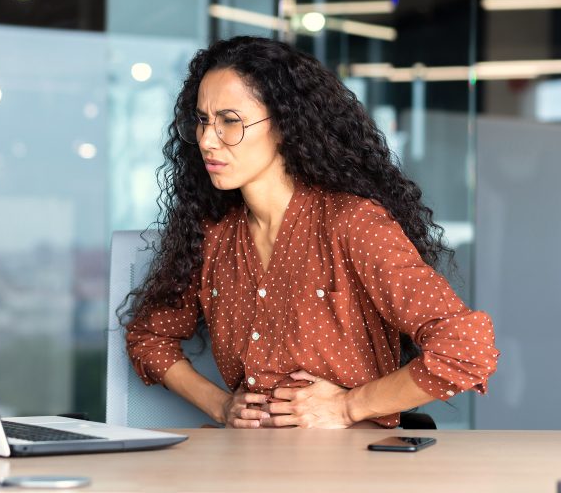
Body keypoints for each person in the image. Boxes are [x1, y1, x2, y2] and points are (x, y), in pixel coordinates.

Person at [124, 36, 499, 429]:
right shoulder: (215, 234)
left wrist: (348, 407)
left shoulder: (351, 223)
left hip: (349, 467)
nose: (206, 140)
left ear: (285, 125)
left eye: (230, 121)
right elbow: (149, 338)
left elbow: (467, 349)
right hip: (244, 465)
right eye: (202, 121)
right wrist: (220, 405)